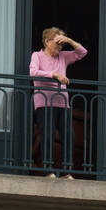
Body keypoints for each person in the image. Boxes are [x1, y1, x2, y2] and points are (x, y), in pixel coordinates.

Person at [29, 27, 87, 178]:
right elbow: (33, 72)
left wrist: (68, 40)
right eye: (57, 43)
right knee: (47, 135)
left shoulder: (63, 56)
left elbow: (82, 52)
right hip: (44, 102)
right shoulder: (37, 55)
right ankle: (48, 171)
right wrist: (54, 75)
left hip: (63, 103)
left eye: (62, 44)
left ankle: (67, 172)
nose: (59, 47)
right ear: (47, 41)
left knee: (68, 136)